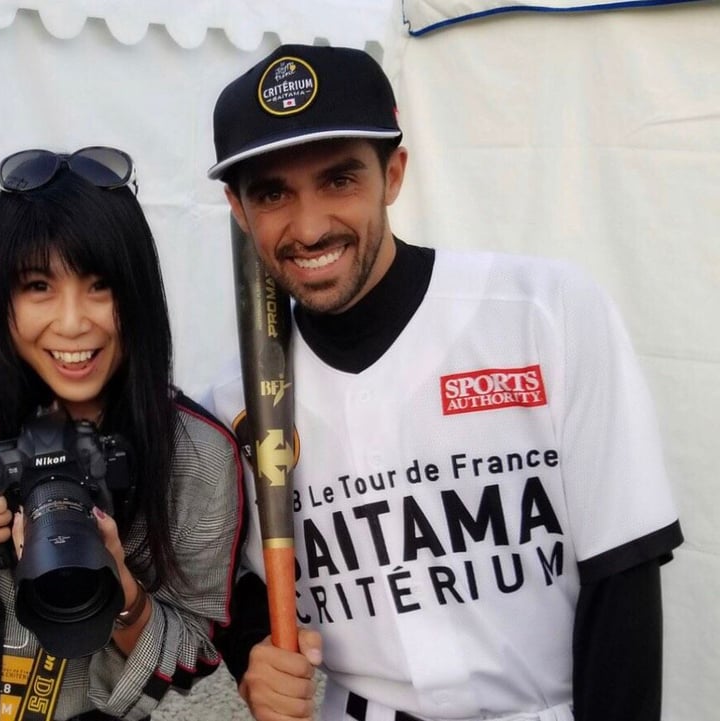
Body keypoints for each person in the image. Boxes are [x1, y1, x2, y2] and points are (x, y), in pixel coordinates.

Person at [204, 44, 684, 721]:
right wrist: (253, 653)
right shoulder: (232, 407)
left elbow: (623, 575)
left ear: (393, 174)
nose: (308, 226)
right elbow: (226, 582)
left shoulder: (544, 313)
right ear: (237, 207)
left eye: (339, 180)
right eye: (272, 193)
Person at [0, 147, 244, 721]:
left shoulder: (198, 454)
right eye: (38, 285)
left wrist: (122, 591)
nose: (71, 323)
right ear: (1, 295)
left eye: (100, 286)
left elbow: (195, 647)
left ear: (137, 293)